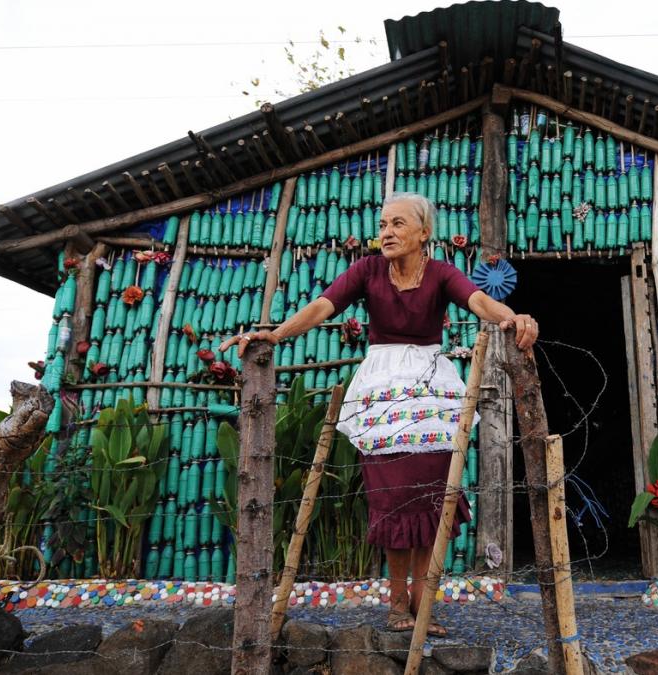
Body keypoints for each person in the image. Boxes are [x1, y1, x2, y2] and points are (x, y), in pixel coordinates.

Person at [221, 192, 537, 636]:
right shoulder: (368, 271)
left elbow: (480, 301)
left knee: (433, 500)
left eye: (398, 224)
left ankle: (423, 605)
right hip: (381, 398)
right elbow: (322, 306)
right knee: (390, 499)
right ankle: (395, 604)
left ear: (423, 233)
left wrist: (513, 316)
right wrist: (275, 335)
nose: (386, 232)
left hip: (430, 399)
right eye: (383, 224)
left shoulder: (442, 274)